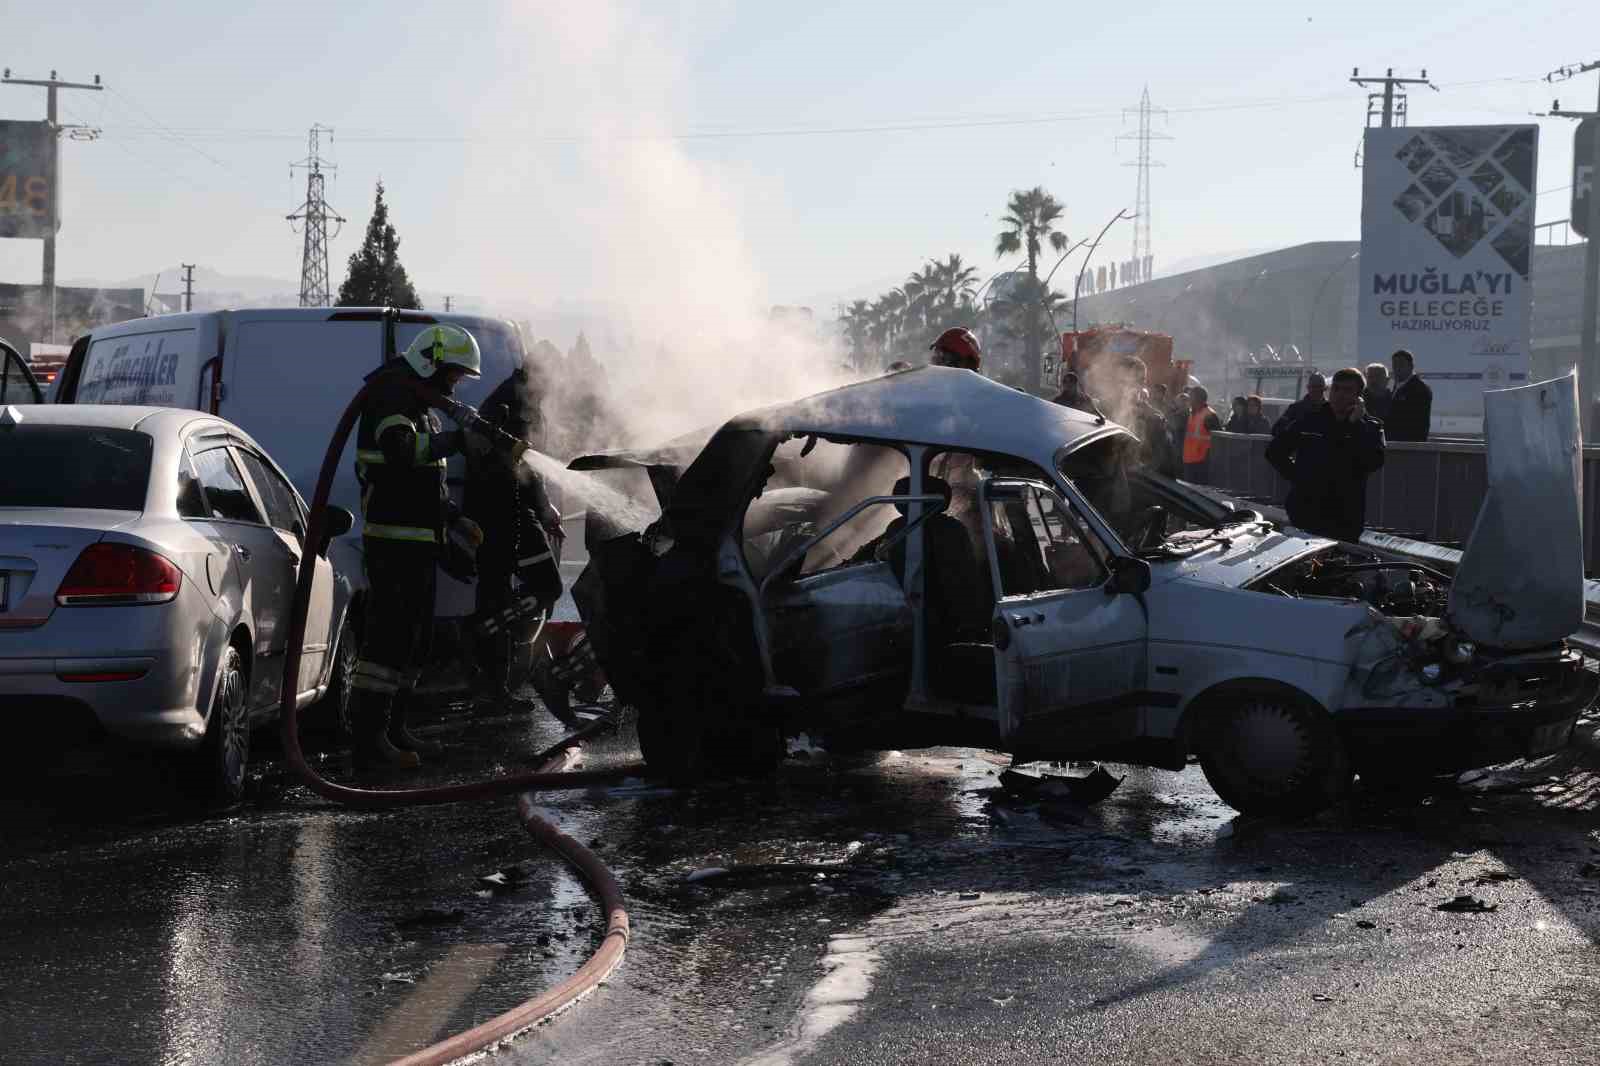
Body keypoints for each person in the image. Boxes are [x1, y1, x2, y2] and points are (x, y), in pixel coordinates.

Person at [348, 324, 490, 771]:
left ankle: (395, 729)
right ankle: (370, 740)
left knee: (415, 642)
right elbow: (400, 452)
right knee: (388, 643)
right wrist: (458, 439)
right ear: (432, 361)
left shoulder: (419, 402)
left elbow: (423, 480)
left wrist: (454, 517)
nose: (455, 385)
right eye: (453, 374)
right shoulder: (391, 396)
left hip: (419, 539)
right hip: (393, 541)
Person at [465, 362, 570, 723]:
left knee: (497, 594)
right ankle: (491, 629)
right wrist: (543, 510)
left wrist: (545, 509)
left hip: (499, 513)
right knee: (548, 586)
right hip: (506, 514)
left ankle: (496, 684)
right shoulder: (513, 407)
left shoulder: (506, 402)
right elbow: (522, 468)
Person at [850, 476, 985, 647]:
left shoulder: (901, 527)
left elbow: (963, 579)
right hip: (946, 619)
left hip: (920, 617)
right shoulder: (952, 528)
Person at [1265, 366, 1386, 542]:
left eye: (1347, 390)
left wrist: (1354, 426)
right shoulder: (1310, 420)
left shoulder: (1371, 427)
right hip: (1306, 512)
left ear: (1359, 396)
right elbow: (1274, 451)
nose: (1339, 395)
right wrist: (1300, 478)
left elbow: (1373, 461)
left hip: (1344, 517)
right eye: (1336, 388)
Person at [1386, 348, 1432, 441]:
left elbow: (1413, 421)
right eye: (1394, 365)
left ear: (1411, 366)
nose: (1397, 368)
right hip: (1395, 442)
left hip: (1410, 444)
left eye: (1401, 364)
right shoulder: (1397, 386)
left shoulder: (1420, 389)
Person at [1181, 386, 1223, 484]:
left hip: (1201, 462)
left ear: (1198, 398)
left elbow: (1218, 440)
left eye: (1191, 396)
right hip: (1189, 460)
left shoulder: (1210, 416)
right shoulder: (1191, 413)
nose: (1189, 399)